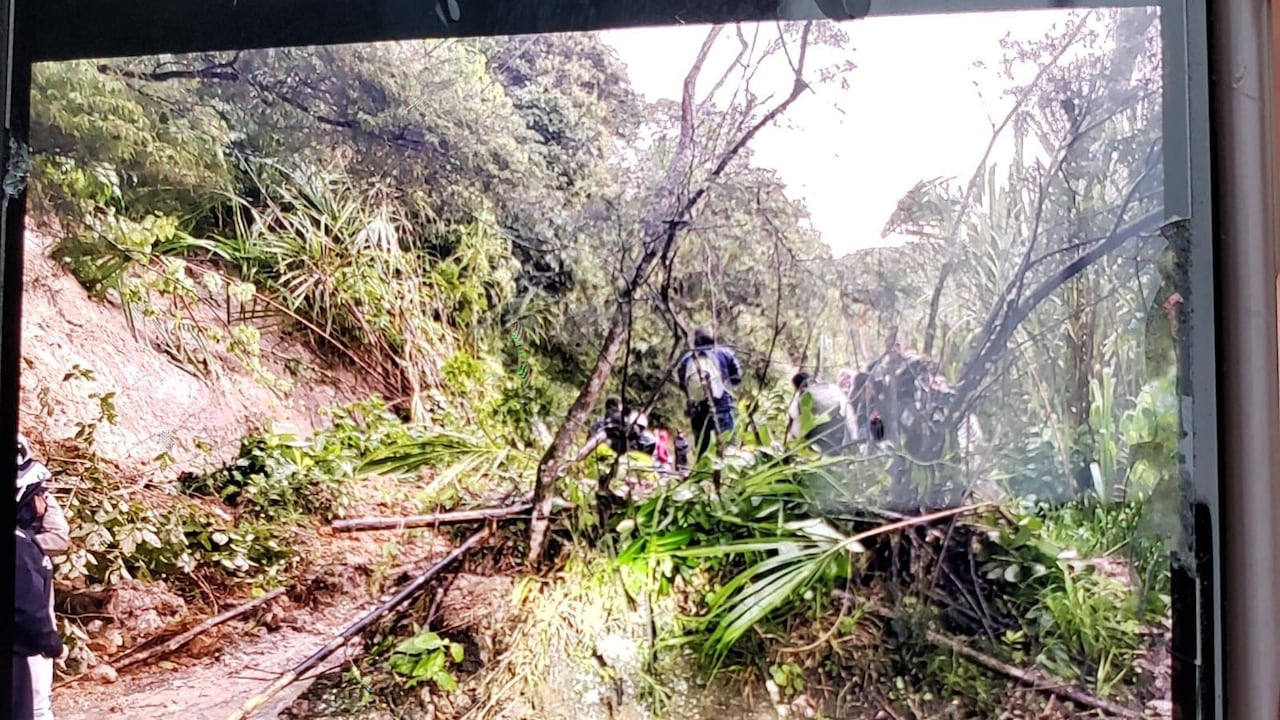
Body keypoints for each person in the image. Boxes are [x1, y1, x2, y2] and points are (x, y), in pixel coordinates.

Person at [17, 434, 69, 720]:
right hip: (29, 625)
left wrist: (26, 545)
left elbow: (60, 537)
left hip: (35, 603)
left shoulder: (36, 489)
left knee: (37, 703)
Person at [676, 325, 743, 460]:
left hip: (698, 410)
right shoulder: (724, 353)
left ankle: (701, 476)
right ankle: (728, 477)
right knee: (728, 446)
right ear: (713, 338)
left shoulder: (687, 359)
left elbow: (682, 383)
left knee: (702, 448)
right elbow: (737, 377)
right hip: (722, 406)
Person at [786, 372, 858, 455]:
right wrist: (854, 435)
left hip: (816, 432)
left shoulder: (800, 398)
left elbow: (796, 421)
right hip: (836, 426)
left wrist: (793, 443)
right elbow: (848, 411)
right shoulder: (830, 388)